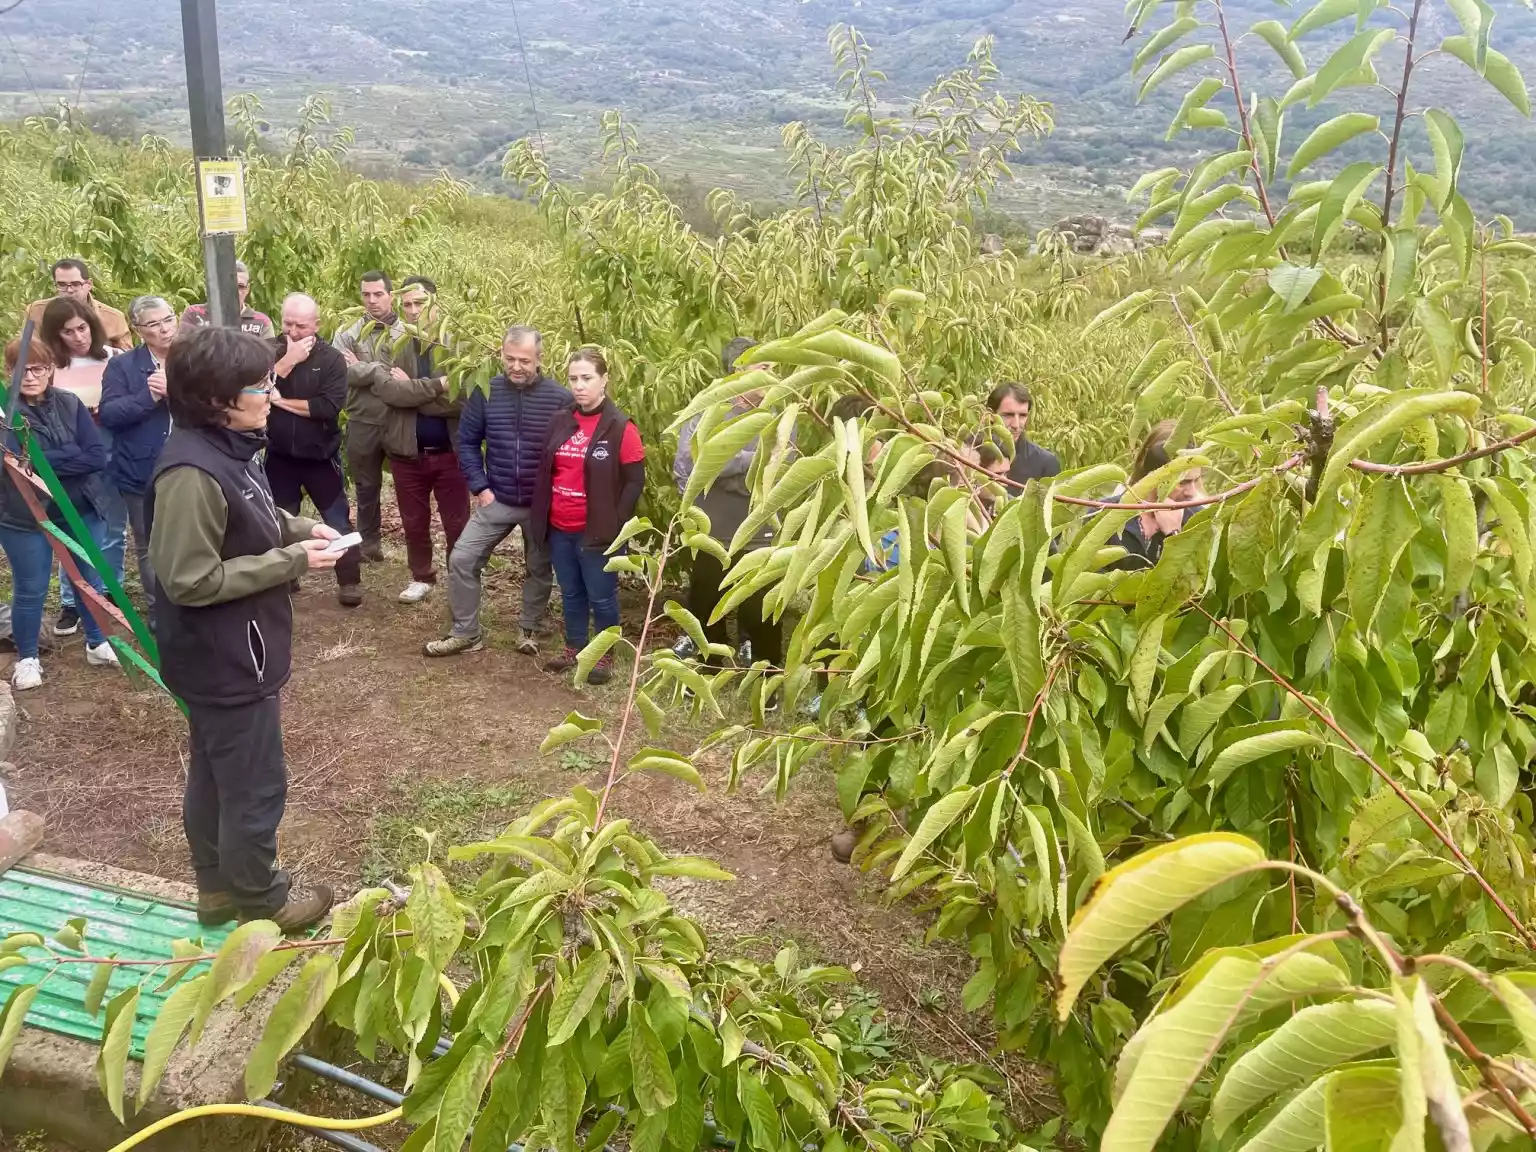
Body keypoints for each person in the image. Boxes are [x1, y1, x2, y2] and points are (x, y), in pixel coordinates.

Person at [146, 325, 339, 933]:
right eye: (258, 383)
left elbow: (252, 511)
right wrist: (293, 562)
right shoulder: (190, 475)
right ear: (217, 401)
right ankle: (263, 900)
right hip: (225, 660)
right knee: (254, 784)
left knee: (214, 771)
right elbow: (188, 580)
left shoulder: (229, 450)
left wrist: (300, 530)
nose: (270, 388)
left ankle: (217, 891)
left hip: (228, 655)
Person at [426, 326, 569, 658]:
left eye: (524, 360)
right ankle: (466, 632)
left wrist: (555, 496)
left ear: (539, 360)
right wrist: (481, 486)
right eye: (510, 359)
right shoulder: (486, 391)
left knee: (538, 565)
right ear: (500, 355)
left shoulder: (560, 398)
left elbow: (571, 453)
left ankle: (529, 628)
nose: (516, 367)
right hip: (498, 497)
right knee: (462, 558)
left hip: (540, 504)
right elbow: (467, 441)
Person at [0, 339, 121, 689]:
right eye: (23, 368)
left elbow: (96, 456)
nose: (31, 375)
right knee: (31, 588)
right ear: (11, 372)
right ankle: (27, 658)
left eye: (39, 367)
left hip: (80, 507)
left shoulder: (70, 403)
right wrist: (64, 455)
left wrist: (40, 460)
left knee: (89, 580)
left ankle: (97, 643)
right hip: (24, 515)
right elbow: (11, 468)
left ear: (51, 368)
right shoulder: (5, 413)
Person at [531, 347, 644, 685]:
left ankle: (603, 654)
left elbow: (635, 480)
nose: (579, 386)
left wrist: (616, 523)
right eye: (573, 379)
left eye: (587, 378)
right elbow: (547, 470)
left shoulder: (620, 427)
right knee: (570, 592)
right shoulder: (561, 419)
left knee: (601, 595)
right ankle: (575, 648)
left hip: (597, 531)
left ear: (604, 380)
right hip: (560, 526)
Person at [672, 337, 783, 669]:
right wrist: (750, 462)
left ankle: (766, 677)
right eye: (763, 367)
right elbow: (690, 466)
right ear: (739, 372)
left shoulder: (776, 414)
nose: (772, 375)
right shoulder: (709, 410)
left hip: (759, 529)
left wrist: (722, 465)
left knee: (762, 608)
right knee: (707, 602)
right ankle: (711, 664)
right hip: (713, 527)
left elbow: (782, 465)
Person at [372, 277, 470, 605]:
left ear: (436, 305)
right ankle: (421, 576)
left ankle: (462, 580)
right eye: (408, 304)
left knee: (457, 523)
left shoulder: (456, 344)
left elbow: (462, 397)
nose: (413, 311)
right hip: (406, 452)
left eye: (421, 303)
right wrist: (437, 385)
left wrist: (413, 389)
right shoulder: (391, 341)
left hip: (449, 451)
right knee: (414, 522)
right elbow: (388, 391)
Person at [266, 294, 362, 607]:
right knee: (279, 520)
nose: (293, 332)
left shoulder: (331, 358)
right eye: (288, 324)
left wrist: (280, 402)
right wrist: (286, 362)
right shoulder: (268, 351)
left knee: (337, 519)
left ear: (317, 325)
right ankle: (284, 577)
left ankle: (349, 580)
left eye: (301, 326)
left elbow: (327, 407)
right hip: (279, 455)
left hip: (320, 455)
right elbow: (253, 390)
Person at [39, 297, 124, 637]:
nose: (78, 337)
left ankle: (108, 591)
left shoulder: (114, 360)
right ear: (56, 336)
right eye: (68, 331)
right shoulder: (52, 367)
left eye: (82, 328)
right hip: (73, 460)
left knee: (113, 527)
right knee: (73, 529)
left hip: (112, 450)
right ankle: (72, 601)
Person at [99, 295, 179, 617]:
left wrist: (179, 392)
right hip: (141, 469)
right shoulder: (122, 366)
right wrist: (149, 396)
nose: (164, 329)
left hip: (194, 467)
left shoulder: (196, 358)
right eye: (154, 324)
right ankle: (160, 616)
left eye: (168, 319)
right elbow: (110, 414)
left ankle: (195, 609)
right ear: (138, 329)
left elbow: (219, 403)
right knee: (149, 547)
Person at [334, 271, 402, 563]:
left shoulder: (406, 332)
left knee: (409, 485)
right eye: (366, 295)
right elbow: (342, 373)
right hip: (362, 419)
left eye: (378, 294)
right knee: (366, 484)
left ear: (391, 295)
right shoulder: (347, 332)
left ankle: (417, 548)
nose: (372, 301)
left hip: (399, 418)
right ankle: (368, 542)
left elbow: (408, 377)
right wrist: (381, 370)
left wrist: (366, 367)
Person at [1108, 418, 1207, 571]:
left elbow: (1192, 584)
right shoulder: (1107, 516)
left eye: (1196, 480)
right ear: (1155, 476)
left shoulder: (1199, 522)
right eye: (1183, 482)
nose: (1192, 493)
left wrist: (1174, 535)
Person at [23, 259, 132, 352]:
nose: (69, 290)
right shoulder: (37, 311)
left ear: (89, 284)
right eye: (62, 285)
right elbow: (29, 352)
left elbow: (127, 359)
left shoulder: (114, 317)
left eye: (75, 284)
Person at [987, 382, 1060, 485]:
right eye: (1008, 415)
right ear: (990, 415)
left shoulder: (1045, 463)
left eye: (1022, 415)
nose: (1016, 425)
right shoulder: (970, 452)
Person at [179, 260, 275, 338]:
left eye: (240, 286)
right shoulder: (194, 314)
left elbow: (268, 360)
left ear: (247, 289)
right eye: (228, 285)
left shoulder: (262, 322)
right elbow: (183, 354)